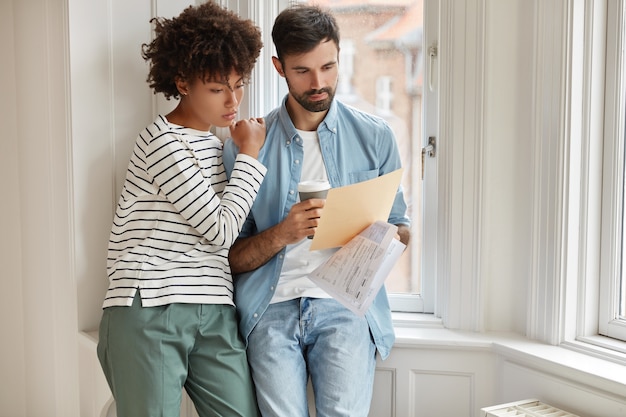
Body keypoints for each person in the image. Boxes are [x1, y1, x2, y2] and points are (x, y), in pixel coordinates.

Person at [222, 4, 411, 417]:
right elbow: (230, 257)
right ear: (279, 67)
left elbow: (402, 227)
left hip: (343, 305)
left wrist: (378, 236)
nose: (319, 83)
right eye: (303, 70)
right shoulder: (248, 145)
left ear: (340, 56)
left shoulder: (375, 137)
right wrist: (283, 233)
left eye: (328, 66)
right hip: (270, 308)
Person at [97, 3, 266, 417]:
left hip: (215, 307)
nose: (233, 100)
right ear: (182, 82)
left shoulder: (219, 147)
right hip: (151, 304)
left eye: (238, 84)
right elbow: (221, 230)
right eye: (217, 88)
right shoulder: (163, 142)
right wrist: (250, 152)